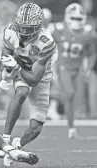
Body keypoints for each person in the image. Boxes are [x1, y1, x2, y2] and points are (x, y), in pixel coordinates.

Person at [0, 2, 57, 165]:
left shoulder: (46, 42)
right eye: (21, 27)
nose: (22, 31)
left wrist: (17, 68)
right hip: (20, 69)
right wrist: (6, 70)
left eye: (28, 28)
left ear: (38, 27)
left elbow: (34, 79)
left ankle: (17, 145)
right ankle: (5, 141)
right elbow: (4, 56)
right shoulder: (10, 31)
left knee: (35, 128)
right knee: (21, 93)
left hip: (40, 77)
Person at [51, 3, 95, 139]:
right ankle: (53, 104)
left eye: (79, 18)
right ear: (67, 17)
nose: (76, 21)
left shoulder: (89, 34)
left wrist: (88, 68)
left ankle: (71, 128)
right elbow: (46, 45)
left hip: (78, 69)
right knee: (70, 94)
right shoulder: (58, 29)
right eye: (73, 18)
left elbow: (92, 53)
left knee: (73, 98)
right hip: (62, 66)